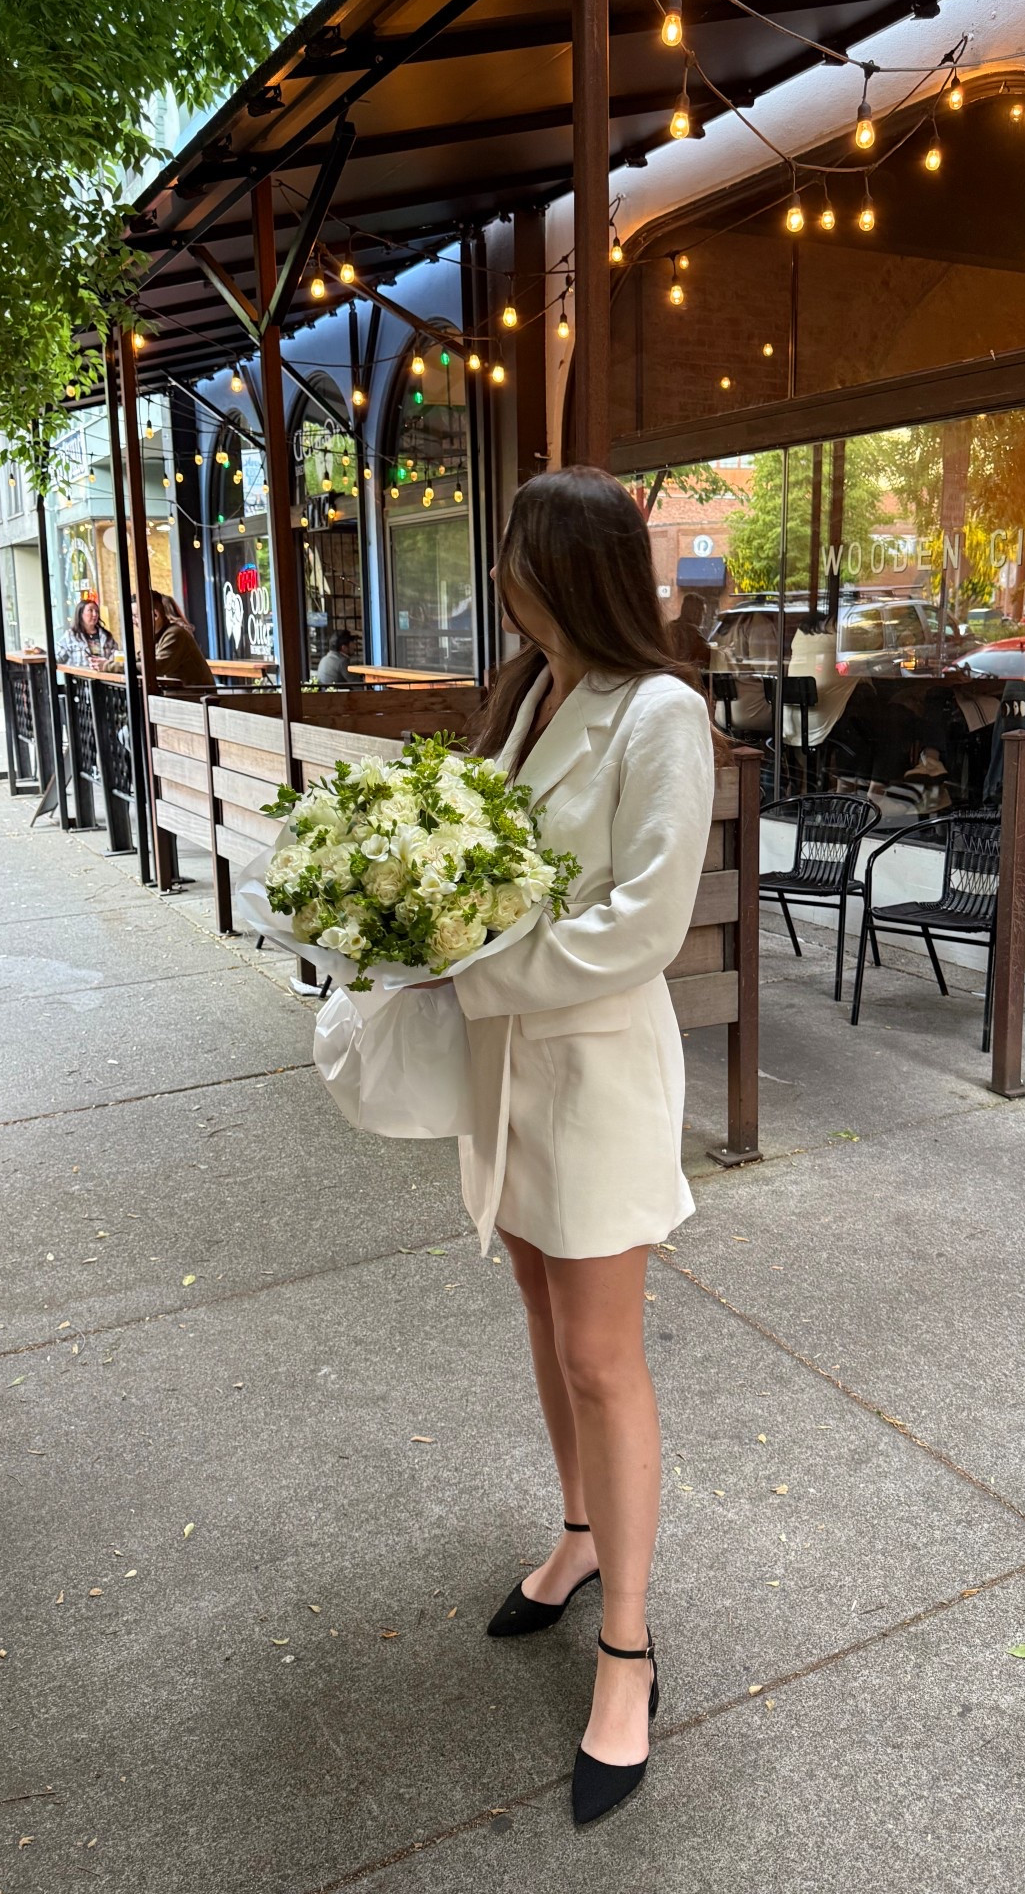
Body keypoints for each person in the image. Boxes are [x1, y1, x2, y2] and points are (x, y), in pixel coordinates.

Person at [444, 467, 714, 1826]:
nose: (505, 578)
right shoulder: (529, 692)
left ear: (573, 567)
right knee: (545, 1316)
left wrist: (472, 972)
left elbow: (644, 922)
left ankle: (630, 1648)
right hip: (516, 1072)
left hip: (598, 1069)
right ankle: (574, 1538)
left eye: (518, 558)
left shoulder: (659, 712)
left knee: (605, 1356)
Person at [148, 592, 215, 691]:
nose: (134, 621)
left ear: (156, 614)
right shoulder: (160, 636)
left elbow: (158, 666)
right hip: (186, 696)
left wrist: (124, 667)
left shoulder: (175, 633)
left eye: (136, 616)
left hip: (196, 699)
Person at [56, 597, 116, 669]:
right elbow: (57, 657)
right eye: (90, 610)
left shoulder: (106, 636)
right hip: (80, 678)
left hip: (105, 677)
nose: (94, 614)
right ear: (80, 614)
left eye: (96, 611)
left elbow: (116, 657)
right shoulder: (71, 635)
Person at [663, 590, 712, 670]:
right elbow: (709, 657)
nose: (703, 618)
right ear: (697, 613)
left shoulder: (670, 626)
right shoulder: (692, 632)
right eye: (703, 613)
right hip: (685, 676)